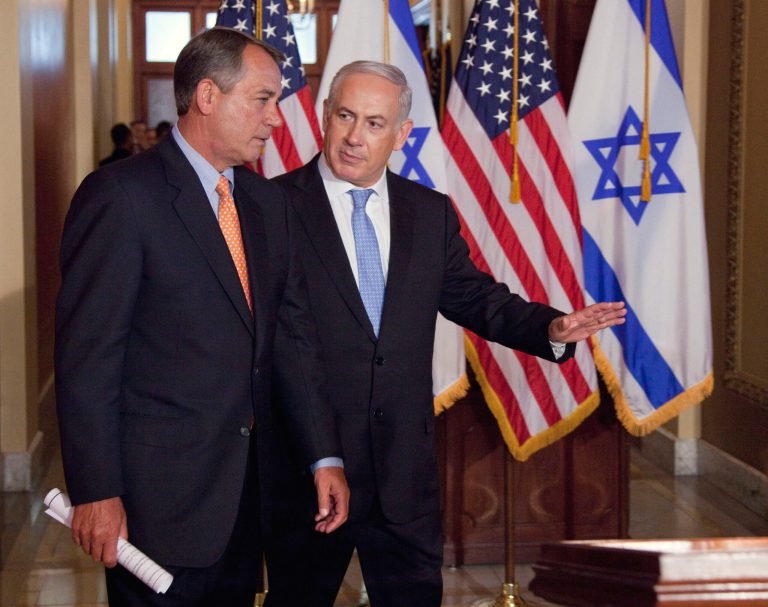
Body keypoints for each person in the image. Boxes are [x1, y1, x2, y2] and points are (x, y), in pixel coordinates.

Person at [264, 61, 627, 607]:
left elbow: (475, 297)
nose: (355, 137)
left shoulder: (427, 212)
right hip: (311, 470)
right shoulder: (272, 207)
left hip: (403, 473)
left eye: (374, 122)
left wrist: (551, 326)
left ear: (402, 134)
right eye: (345, 116)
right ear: (323, 116)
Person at [55, 27, 348, 607]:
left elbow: (292, 341)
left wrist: (324, 454)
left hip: (248, 504)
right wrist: (96, 491)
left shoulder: (267, 205)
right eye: (263, 100)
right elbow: (87, 359)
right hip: (153, 510)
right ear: (208, 96)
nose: (276, 119)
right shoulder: (121, 197)